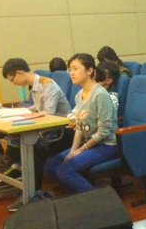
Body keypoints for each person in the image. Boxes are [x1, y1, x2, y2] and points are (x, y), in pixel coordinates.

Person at [0, 58, 72, 208]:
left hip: (63, 130)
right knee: (16, 140)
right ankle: (18, 173)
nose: (13, 83)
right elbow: (38, 108)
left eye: (12, 79)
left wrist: (29, 116)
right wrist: (22, 112)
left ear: (19, 73)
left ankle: (31, 192)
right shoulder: (35, 86)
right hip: (48, 129)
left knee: (33, 146)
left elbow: (49, 115)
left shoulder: (47, 85)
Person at [44, 54, 118, 193]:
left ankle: (96, 199)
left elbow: (104, 132)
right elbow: (79, 128)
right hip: (89, 143)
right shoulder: (79, 95)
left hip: (106, 145)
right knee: (51, 166)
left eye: (75, 68)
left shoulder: (100, 95)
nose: (71, 73)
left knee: (65, 170)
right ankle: (77, 196)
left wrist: (80, 150)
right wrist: (73, 150)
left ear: (89, 70)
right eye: (70, 69)